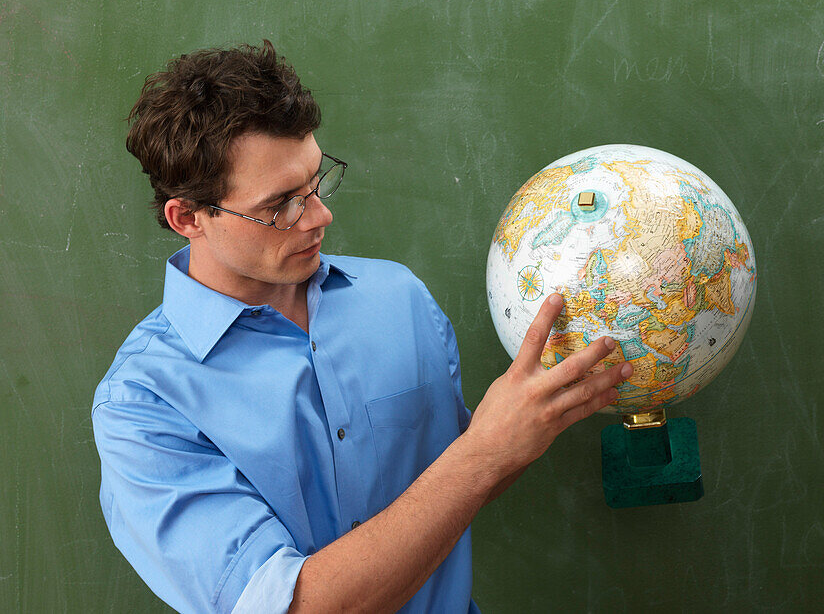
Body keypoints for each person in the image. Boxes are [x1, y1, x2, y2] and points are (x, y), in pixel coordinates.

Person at [92, 42, 632, 614]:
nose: (320, 215)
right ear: (188, 218)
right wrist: (486, 452)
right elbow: (296, 607)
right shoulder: (143, 404)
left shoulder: (399, 299)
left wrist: (522, 428)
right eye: (281, 205)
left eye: (316, 181)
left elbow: (458, 479)